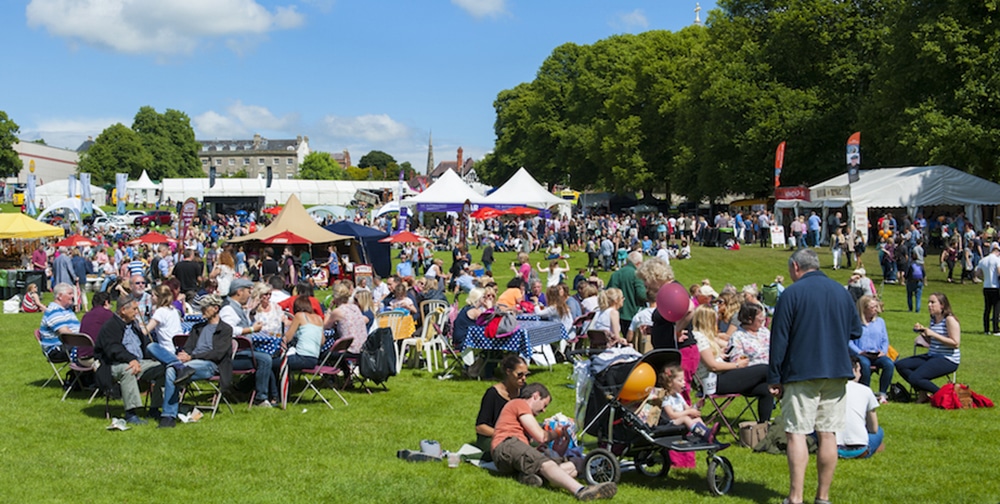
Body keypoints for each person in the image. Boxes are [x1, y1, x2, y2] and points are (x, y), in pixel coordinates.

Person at [769, 248, 861, 504]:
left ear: (796, 267)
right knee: (828, 433)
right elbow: (855, 330)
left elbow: (779, 339)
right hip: (836, 369)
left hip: (802, 370)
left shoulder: (791, 293)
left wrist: (774, 377)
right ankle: (823, 497)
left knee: (796, 432)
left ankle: (796, 497)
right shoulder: (841, 292)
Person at [491, 383, 617, 500]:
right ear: (536, 396)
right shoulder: (519, 403)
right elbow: (542, 437)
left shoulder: (524, 419)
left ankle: (534, 478)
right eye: (544, 405)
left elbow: (550, 451)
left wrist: (562, 444)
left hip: (514, 452)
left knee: (577, 463)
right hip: (505, 445)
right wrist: (557, 432)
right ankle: (581, 490)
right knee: (545, 464)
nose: (544, 411)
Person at [160, 294, 234, 428]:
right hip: (189, 363)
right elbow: (188, 347)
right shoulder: (197, 327)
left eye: (205, 308)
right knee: (157, 352)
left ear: (215, 308)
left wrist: (191, 357)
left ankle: (168, 416)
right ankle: (168, 416)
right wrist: (184, 355)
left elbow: (217, 354)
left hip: (210, 365)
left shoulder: (226, 329)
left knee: (172, 369)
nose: (202, 310)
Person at [93, 294, 166, 426]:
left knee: (162, 368)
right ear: (123, 310)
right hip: (112, 364)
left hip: (139, 361)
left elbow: (144, 344)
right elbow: (113, 349)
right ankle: (131, 413)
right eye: (134, 309)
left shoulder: (134, 324)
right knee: (128, 370)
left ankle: (155, 408)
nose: (136, 313)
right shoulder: (111, 326)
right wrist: (131, 360)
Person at [895, 293, 961, 403]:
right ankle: (923, 394)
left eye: (933, 302)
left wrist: (933, 334)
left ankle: (944, 396)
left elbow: (955, 343)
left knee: (915, 378)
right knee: (901, 365)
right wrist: (924, 333)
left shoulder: (949, 320)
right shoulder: (933, 319)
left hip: (948, 359)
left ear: (942, 305)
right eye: (928, 302)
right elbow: (932, 342)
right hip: (933, 355)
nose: (929, 305)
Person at [221, 278, 275, 408]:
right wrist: (251, 329)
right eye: (247, 291)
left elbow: (240, 323)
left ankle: (241, 389)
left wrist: (251, 314)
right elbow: (228, 330)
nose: (250, 294)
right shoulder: (228, 309)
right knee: (265, 359)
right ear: (239, 292)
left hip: (239, 352)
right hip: (231, 356)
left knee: (269, 358)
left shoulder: (235, 307)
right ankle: (260, 398)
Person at [475, 355, 528, 460]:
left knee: (540, 443)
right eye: (520, 375)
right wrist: (505, 434)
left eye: (526, 374)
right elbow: (480, 427)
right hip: (491, 435)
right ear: (508, 372)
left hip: (516, 434)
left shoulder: (524, 390)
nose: (524, 378)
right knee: (511, 449)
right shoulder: (492, 394)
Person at [144, 284, 194, 383]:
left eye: (153, 295)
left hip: (167, 350)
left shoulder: (160, 312)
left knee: (151, 347)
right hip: (177, 347)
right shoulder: (173, 310)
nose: (151, 297)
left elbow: (145, 331)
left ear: (159, 298)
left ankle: (178, 366)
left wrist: (138, 325)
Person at [836, 356, 885, 459]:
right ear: (854, 370)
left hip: (832, 448)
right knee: (879, 431)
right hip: (860, 450)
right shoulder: (865, 390)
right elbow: (874, 428)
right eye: (859, 370)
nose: (861, 374)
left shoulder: (829, 390)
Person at [851, 295, 894, 403]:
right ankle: (866, 392)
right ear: (864, 308)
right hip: (861, 353)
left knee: (889, 364)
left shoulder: (880, 322)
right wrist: (859, 351)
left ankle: (882, 393)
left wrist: (883, 351)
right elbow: (849, 341)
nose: (876, 309)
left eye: (876, 306)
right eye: (872, 307)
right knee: (865, 365)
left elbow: (885, 339)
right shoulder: (855, 323)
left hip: (876, 353)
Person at [658, 364, 717, 442]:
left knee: (697, 418)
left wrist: (696, 406)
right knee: (685, 418)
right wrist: (689, 412)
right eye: (680, 380)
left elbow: (688, 409)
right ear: (670, 383)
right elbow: (672, 415)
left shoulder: (678, 396)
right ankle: (703, 434)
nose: (684, 383)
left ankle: (709, 435)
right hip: (670, 423)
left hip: (680, 420)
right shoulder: (666, 398)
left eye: (683, 380)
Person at [278, 295, 325, 374]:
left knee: (271, 363)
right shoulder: (319, 318)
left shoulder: (299, 315)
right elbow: (322, 341)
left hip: (301, 357)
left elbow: (287, 338)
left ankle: (273, 386)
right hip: (314, 359)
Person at [323, 282, 370, 356]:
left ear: (335, 297)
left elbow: (325, 326)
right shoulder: (355, 308)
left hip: (349, 350)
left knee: (323, 353)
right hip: (363, 348)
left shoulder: (338, 311)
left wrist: (329, 309)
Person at [38, 282, 80, 363]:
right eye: (70, 293)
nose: (72, 296)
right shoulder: (53, 311)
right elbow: (66, 334)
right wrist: (86, 342)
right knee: (93, 351)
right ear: (60, 296)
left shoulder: (67, 310)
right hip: (57, 350)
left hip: (71, 346)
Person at [607, 251, 646, 333]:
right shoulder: (636, 275)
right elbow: (641, 295)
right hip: (634, 313)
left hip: (618, 313)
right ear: (638, 263)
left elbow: (608, 293)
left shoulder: (616, 274)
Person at [728, 302, 771, 366]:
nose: (763, 319)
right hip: (754, 370)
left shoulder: (764, 331)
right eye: (760, 316)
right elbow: (737, 360)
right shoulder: (737, 336)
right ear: (750, 319)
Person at [976, 242, 1000, 335]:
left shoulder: (983, 260)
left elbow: (978, 273)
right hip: (995, 286)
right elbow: (999, 272)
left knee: (987, 308)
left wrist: (985, 277)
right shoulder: (997, 260)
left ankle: (986, 329)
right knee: (996, 308)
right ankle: (996, 329)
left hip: (986, 286)